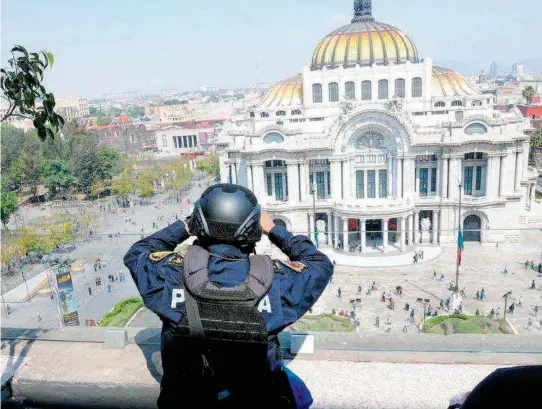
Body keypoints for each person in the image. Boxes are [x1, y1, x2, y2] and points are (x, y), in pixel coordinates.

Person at [124, 184, 333, 409]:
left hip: (186, 399)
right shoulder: (276, 281)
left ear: (199, 224)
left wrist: (185, 225)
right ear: (252, 229)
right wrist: (273, 229)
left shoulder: (170, 273)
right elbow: (319, 265)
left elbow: (138, 252)